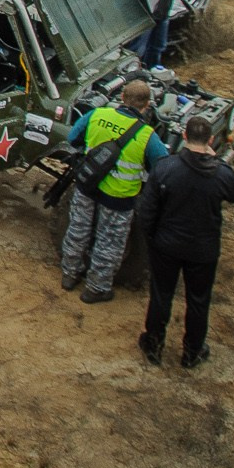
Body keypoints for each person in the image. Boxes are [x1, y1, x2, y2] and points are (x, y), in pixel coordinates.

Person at [136, 115, 234, 368]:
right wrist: (216, 159)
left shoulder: (165, 167)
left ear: (184, 136)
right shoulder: (219, 173)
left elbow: (147, 210)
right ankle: (192, 351)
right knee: (198, 300)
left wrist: (152, 237)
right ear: (209, 140)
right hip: (203, 248)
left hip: (167, 243)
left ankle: (153, 344)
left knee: (161, 295)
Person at [60, 79, 168, 304]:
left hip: (87, 185)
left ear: (121, 98)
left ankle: (70, 274)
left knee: (78, 228)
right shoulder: (147, 135)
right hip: (119, 198)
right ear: (147, 105)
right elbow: (162, 167)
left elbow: (72, 138)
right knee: (109, 242)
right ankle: (96, 288)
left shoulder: (97, 115)